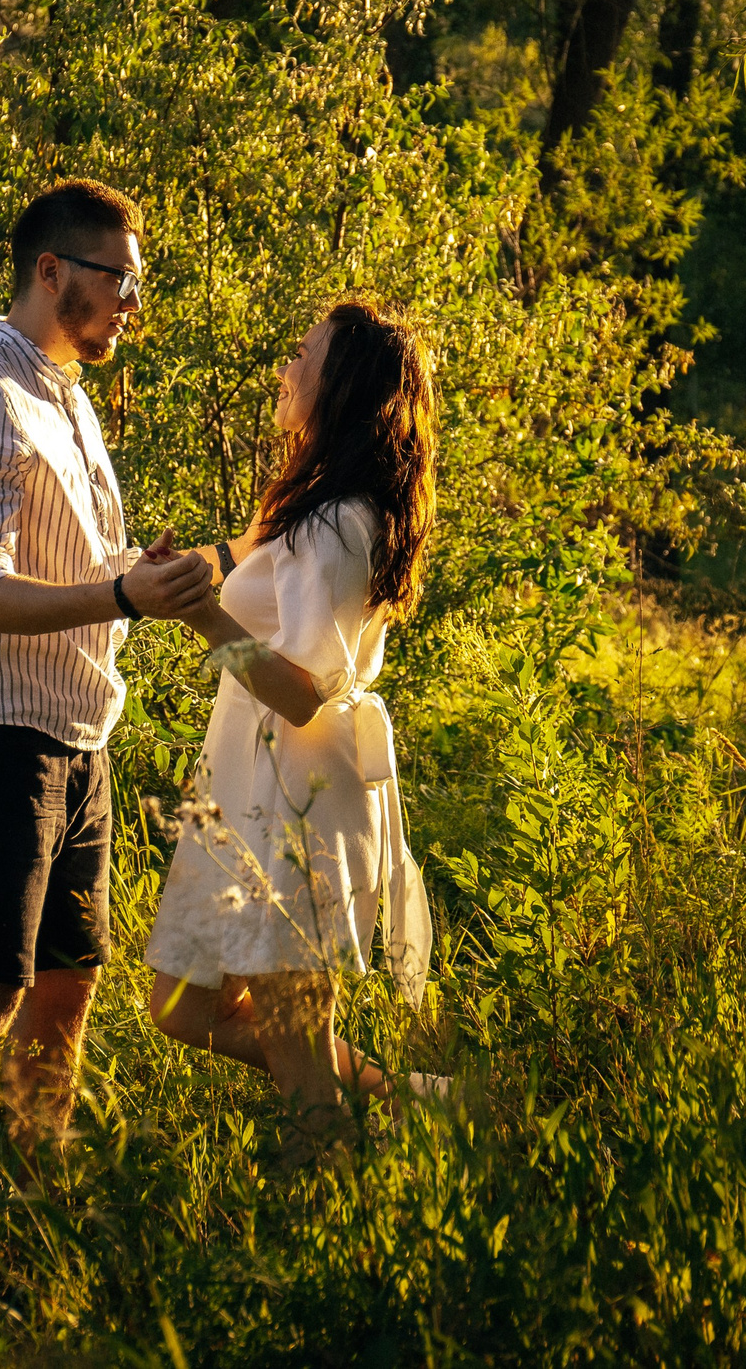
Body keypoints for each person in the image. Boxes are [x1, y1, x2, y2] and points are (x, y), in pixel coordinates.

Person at [0, 177, 213, 1145]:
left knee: (68, 989)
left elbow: (56, 569)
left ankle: (41, 1193)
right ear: (49, 270)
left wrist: (131, 572)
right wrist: (120, 595)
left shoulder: (62, 396)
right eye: (118, 278)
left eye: (135, 284)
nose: (131, 302)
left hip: (77, 732)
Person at [142, 299, 442, 1152]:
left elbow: (303, 689)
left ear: (341, 383)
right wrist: (170, 577)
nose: (286, 368)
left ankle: (338, 1202)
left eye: (301, 355)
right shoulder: (311, 504)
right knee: (179, 1002)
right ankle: (419, 1101)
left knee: (298, 1047)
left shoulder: (341, 520)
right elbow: (244, 576)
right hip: (250, 789)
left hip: (297, 798)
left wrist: (203, 619)